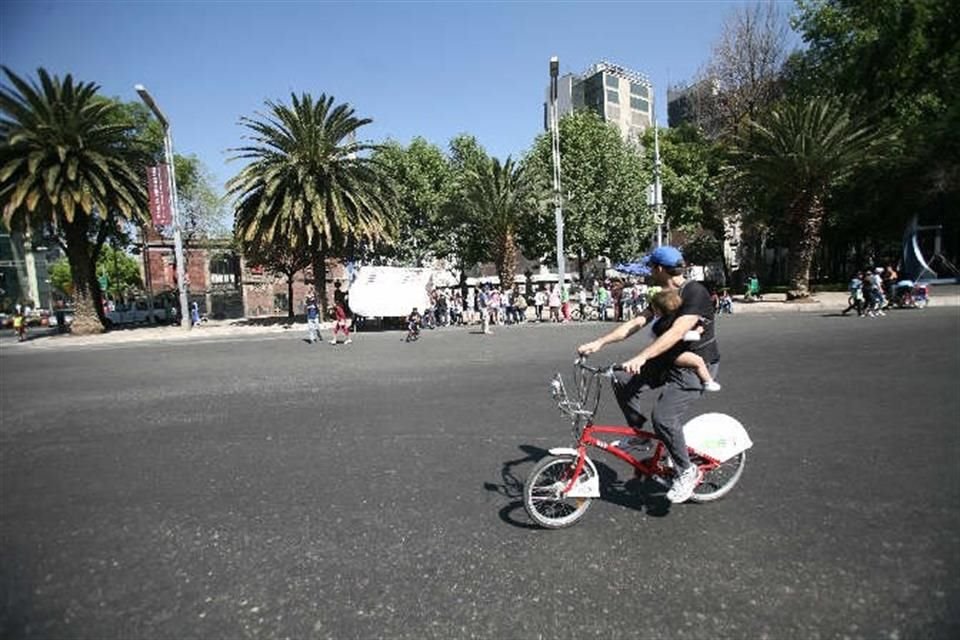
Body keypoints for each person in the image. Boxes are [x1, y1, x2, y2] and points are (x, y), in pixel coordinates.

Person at [578, 245, 719, 504]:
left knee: (663, 418)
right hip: (666, 360)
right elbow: (636, 322)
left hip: (693, 366)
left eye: (650, 267)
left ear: (660, 268)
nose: (648, 272)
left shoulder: (695, 293)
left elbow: (677, 332)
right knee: (621, 379)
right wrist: (599, 342)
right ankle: (640, 437)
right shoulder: (663, 293)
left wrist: (642, 357)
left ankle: (687, 471)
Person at [648, 290, 721, 392]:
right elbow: (682, 335)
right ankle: (708, 381)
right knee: (698, 361)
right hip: (672, 353)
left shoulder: (659, 323)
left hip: (669, 351)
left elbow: (653, 336)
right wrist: (696, 332)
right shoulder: (668, 322)